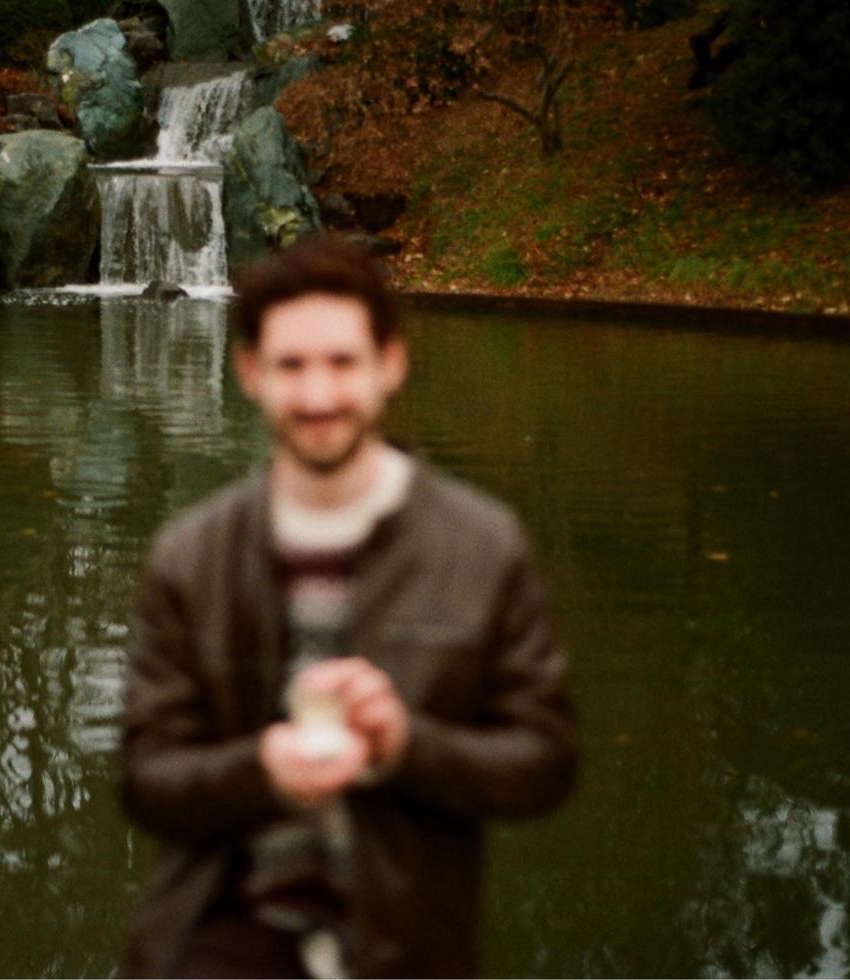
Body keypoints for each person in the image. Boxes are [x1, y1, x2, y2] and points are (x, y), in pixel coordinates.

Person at [120, 235, 578, 978]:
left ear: (390, 364)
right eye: (291, 366)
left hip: (405, 948)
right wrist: (259, 768)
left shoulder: (483, 548)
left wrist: (406, 745)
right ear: (249, 372)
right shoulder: (190, 557)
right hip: (216, 942)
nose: (318, 396)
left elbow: (545, 764)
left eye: (341, 362)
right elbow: (147, 781)